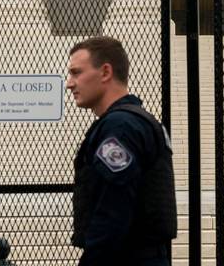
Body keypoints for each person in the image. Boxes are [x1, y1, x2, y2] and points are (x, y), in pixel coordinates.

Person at [67, 36, 176, 266]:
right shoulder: (137, 122)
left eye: (76, 73)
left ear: (105, 72)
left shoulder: (121, 128)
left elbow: (112, 212)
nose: (69, 83)